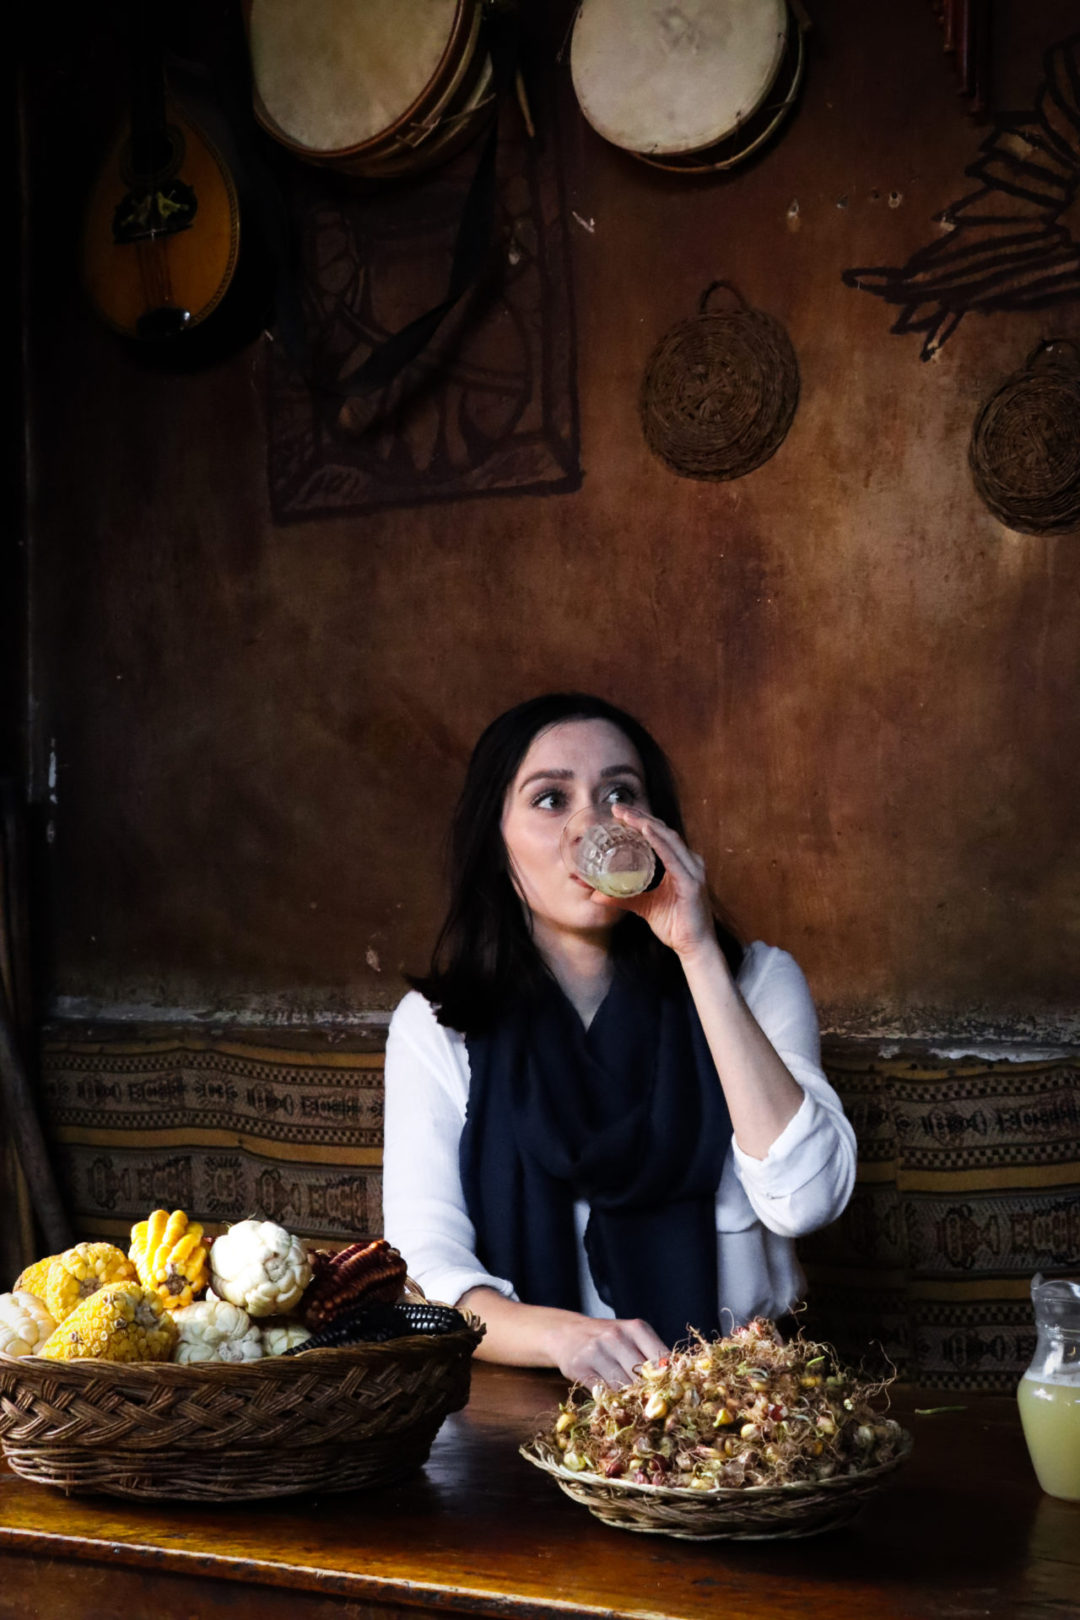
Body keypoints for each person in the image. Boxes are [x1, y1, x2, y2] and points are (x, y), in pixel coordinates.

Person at [382, 693, 856, 1388]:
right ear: (494, 839)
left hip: (745, 1402)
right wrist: (564, 1338)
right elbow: (427, 1269)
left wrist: (696, 952)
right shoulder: (438, 1024)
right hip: (530, 1408)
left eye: (620, 794)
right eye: (550, 799)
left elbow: (808, 1200)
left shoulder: (756, 982)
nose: (593, 825)